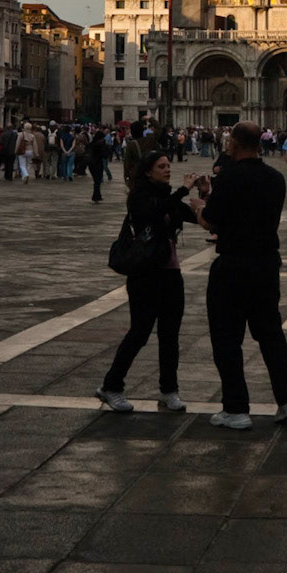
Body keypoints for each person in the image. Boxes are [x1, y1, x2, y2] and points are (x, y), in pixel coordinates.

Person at [202, 121, 287, 429]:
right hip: (267, 264)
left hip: (233, 265)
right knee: (270, 333)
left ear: (233, 142)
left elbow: (211, 221)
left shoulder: (229, 177)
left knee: (226, 337)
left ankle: (236, 408)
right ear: (260, 142)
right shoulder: (275, 178)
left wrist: (199, 207)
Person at [98, 152, 204, 412]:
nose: (167, 169)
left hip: (170, 273)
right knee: (140, 332)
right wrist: (182, 189)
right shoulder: (139, 197)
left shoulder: (168, 196)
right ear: (148, 171)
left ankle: (169, 390)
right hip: (144, 274)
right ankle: (111, 386)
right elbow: (154, 214)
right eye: (161, 166)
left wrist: (205, 195)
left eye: (169, 165)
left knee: (170, 335)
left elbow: (198, 218)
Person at [87, 126, 109, 202]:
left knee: (96, 181)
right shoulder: (100, 146)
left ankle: (97, 195)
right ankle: (96, 196)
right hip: (97, 164)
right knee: (97, 181)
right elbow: (105, 155)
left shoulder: (91, 144)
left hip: (91, 164)